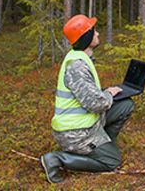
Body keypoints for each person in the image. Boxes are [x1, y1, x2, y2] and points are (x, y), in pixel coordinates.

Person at [40, 14, 134, 184]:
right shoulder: (77, 66)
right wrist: (108, 94)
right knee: (112, 162)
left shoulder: (82, 59)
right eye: (93, 31)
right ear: (86, 37)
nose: (97, 34)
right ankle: (57, 160)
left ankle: (104, 143)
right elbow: (97, 104)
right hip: (75, 133)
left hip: (86, 125)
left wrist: (108, 93)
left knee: (126, 104)